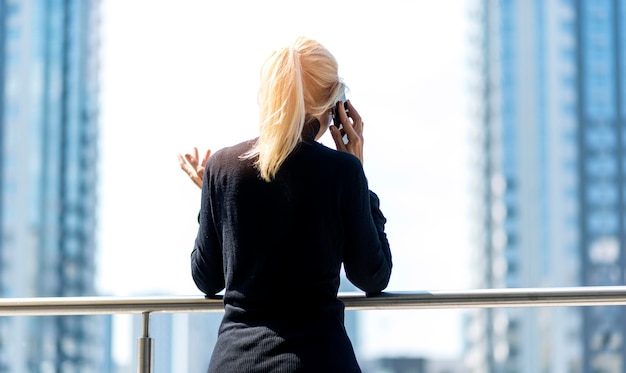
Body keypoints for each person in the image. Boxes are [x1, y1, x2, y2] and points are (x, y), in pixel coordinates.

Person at [178, 36, 392, 373]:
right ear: (334, 107)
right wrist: (360, 181)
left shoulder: (222, 166)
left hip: (236, 362)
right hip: (319, 361)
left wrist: (213, 197)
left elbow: (206, 279)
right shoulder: (342, 172)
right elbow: (372, 276)